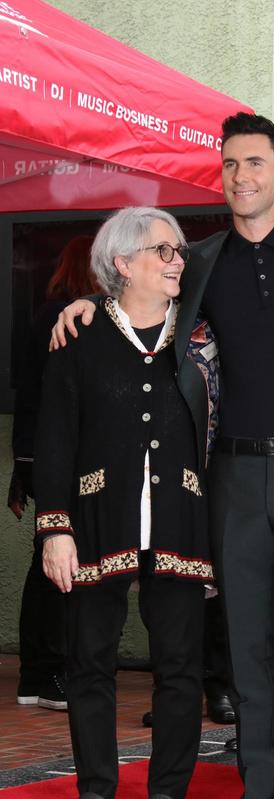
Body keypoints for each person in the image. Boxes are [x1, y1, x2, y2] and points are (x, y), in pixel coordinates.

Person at [51, 114, 274, 799]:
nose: (241, 177)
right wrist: (79, 308)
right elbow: (128, 306)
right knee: (246, 647)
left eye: (256, 163)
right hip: (231, 477)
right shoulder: (196, 264)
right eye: (230, 164)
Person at [35, 207, 214, 799]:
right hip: (95, 523)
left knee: (180, 666)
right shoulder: (77, 338)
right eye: (163, 252)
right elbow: (54, 440)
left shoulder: (199, 336)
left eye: (179, 252)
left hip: (180, 523)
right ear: (123, 263)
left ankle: (167, 796)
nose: (177, 262)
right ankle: (96, 794)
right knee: (88, 662)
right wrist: (55, 528)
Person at [8, 236, 98, 711]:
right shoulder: (62, 319)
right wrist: (29, 465)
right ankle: (45, 673)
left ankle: (38, 674)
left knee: (51, 566)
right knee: (54, 566)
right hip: (57, 461)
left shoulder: (54, 315)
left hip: (49, 459)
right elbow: (40, 401)